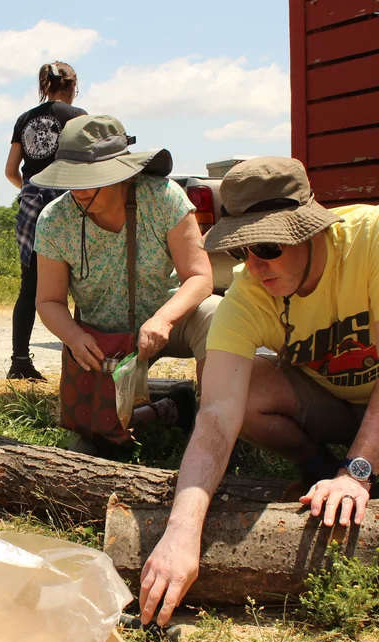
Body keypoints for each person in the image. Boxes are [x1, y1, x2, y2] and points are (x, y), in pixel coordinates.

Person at [138, 156, 379, 626]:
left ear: (309, 230)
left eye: (267, 246)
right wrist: (181, 533)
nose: (253, 268)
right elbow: (216, 415)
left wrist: (356, 475)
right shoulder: (248, 296)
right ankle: (317, 470)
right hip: (330, 395)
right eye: (238, 252)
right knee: (241, 392)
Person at [32, 115, 220, 451]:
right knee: (96, 442)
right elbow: (48, 302)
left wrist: (164, 319)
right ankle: (170, 409)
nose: (79, 190)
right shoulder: (54, 220)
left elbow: (200, 276)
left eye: (90, 178)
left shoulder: (163, 197)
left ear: (122, 172)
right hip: (101, 341)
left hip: (170, 322)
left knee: (218, 316)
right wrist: (75, 338)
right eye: (72, 179)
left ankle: (211, 431)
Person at [4, 61, 86, 381]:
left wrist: (30, 188)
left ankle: (19, 361)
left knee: (30, 288)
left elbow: (11, 171)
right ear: (72, 87)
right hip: (68, 204)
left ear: (45, 85)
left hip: (31, 206)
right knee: (82, 283)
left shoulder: (23, 119)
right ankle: (81, 358)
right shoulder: (77, 116)